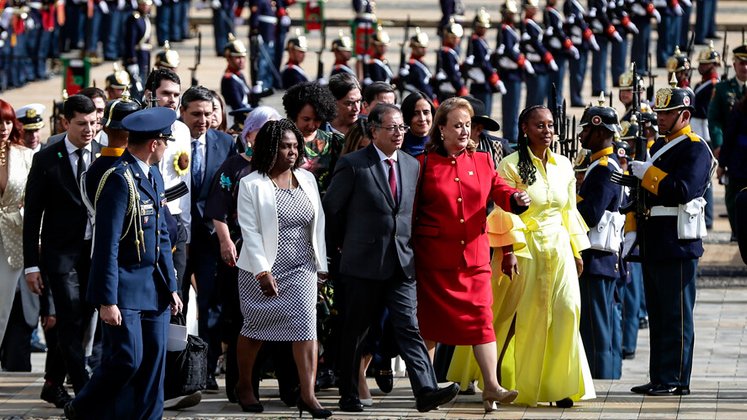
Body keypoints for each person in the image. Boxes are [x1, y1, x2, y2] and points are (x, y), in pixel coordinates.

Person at [323, 103, 460, 413]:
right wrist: (337, 251)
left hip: (401, 262)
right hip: (362, 263)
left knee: (410, 326)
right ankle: (348, 393)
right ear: (373, 131)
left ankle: (425, 389)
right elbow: (332, 210)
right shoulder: (354, 164)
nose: (399, 133)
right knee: (356, 330)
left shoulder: (412, 165)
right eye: (392, 128)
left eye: (401, 127)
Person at [64, 107, 184, 420]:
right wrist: (107, 299)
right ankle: (82, 407)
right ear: (154, 144)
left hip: (154, 287)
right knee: (128, 359)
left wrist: (171, 285)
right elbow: (106, 244)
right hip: (125, 288)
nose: (167, 146)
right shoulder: (119, 179)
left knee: (154, 365)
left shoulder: (153, 175)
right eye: (165, 141)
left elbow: (159, 236)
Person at [412, 97, 528, 412]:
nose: (464, 131)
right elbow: (412, 211)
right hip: (435, 259)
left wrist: (515, 198)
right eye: (457, 126)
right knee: (431, 326)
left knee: (481, 320)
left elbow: (499, 189)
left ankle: (491, 386)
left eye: (467, 125)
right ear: (442, 130)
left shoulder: (482, 160)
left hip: (474, 257)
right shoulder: (424, 164)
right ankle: (426, 387)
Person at [496, 105, 595, 407]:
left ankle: (560, 384)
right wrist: (508, 250)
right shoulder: (511, 165)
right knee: (531, 317)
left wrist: (577, 249)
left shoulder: (564, 164)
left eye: (551, 125)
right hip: (527, 248)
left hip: (561, 246)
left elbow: (569, 211)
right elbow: (503, 212)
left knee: (567, 310)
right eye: (540, 125)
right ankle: (525, 384)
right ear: (525, 128)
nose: (548, 130)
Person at [234, 119, 331, 418]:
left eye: (294, 146)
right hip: (261, 269)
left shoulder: (308, 179)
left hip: (302, 266)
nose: (291, 152)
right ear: (269, 149)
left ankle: (308, 394)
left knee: (306, 329)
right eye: (284, 146)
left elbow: (319, 225)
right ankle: (244, 385)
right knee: (255, 330)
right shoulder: (251, 184)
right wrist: (262, 271)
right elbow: (248, 231)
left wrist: (321, 265)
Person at [628, 79, 713, 397]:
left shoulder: (695, 148)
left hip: (677, 241)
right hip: (655, 240)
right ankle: (660, 375)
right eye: (661, 112)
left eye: (669, 112)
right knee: (660, 313)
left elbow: (683, 190)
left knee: (676, 314)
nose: (661, 117)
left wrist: (647, 174)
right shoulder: (658, 148)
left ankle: (676, 377)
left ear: (685, 115)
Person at [24, 95, 102, 403]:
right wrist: (32, 265)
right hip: (60, 255)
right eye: (82, 124)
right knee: (69, 317)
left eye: (94, 123)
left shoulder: (103, 154)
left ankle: (53, 381)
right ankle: (84, 390)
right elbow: (32, 216)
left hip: (93, 252)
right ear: (65, 123)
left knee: (81, 318)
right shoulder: (46, 159)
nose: (89, 130)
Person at [205, 106, 284, 404]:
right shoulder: (234, 167)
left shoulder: (282, 167)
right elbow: (218, 209)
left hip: (277, 252)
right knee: (240, 317)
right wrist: (225, 241)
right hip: (240, 251)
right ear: (249, 133)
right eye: (264, 129)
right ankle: (240, 385)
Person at [183, 86, 237, 390]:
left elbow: (227, 189)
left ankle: (205, 367)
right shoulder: (171, 138)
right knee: (174, 302)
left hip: (208, 236)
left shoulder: (224, 143)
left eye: (208, 114)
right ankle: (176, 366)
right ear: (183, 112)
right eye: (196, 114)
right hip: (175, 238)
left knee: (210, 303)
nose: (203, 120)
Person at [576, 102, 624, 379]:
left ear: (598, 130)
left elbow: (591, 214)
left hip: (596, 256)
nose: (582, 135)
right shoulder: (600, 166)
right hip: (601, 257)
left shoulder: (604, 168)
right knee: (600, 322)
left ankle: (601, 377)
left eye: (585, 129)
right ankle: (605, 373)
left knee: (596, 326)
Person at [0, 100, 35, 349]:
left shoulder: (25, 155)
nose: (4, 127)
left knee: (2, 307)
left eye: (8, 121)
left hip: (12, 235)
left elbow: (34, 201)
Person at [710, 44, 747, 240]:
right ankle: (737, 231)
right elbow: (715, 119)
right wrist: (718, 144)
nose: (746, 67)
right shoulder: (724, 89)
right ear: (734, 64)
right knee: (734, 196)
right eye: (742, 63)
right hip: (733, 152)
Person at [282, 81, 342, 194]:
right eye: (306, 119)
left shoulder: (334, 141)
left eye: (317, 119)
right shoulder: (281, 141)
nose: (311, 125)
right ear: (295, 115)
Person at [496, 0, 533, 143]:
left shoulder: (510, 28)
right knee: (511, 106)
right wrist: (521, 61)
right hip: (509, 74)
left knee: (514, 105)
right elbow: (509, 50)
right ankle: (510, 135)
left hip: (514, 73)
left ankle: (512, 133)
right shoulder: (505, 29)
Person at [465, 8, 505, 114]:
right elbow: (483, 62)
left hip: (484, 82)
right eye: (481, 27)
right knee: (483, 114)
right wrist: (494, 79)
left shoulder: (480, 40)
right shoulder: (476, 41)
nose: (484, 30)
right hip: (482, 83)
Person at [521, 0, 557, 106]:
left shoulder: (532, 23)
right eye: (532, 7)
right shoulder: (526, 24)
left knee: (540, 95)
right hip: (534, 62)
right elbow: (534, 42)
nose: (535, 9)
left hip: (540, 63)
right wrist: (547, 56)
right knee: (535, 95)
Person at [401, 28, 438, 104]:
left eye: (425, 47)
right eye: (421, 47)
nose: (424, 50)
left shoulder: (420, 62)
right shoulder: (413, 65)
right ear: (413, 47)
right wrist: (432, 99)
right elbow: (422, 85)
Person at [435, 19, 468, 102]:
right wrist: (460, 88)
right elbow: (452, 73)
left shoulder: (450, 52)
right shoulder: (447, 53)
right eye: (454, 37)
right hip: (448, 90)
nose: (457, 40)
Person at [221, 34, 253, 114]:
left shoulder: (239, 75)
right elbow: (238, 107)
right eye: (238, 58)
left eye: (243, 57)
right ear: (229, 58)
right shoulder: (229, 80)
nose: (241, 61)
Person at [401, 91, 434, 157]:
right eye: (416, 114)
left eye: (426, 112)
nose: (422, 119)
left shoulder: (442, 144)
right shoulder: (398, 145)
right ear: (407, 117)